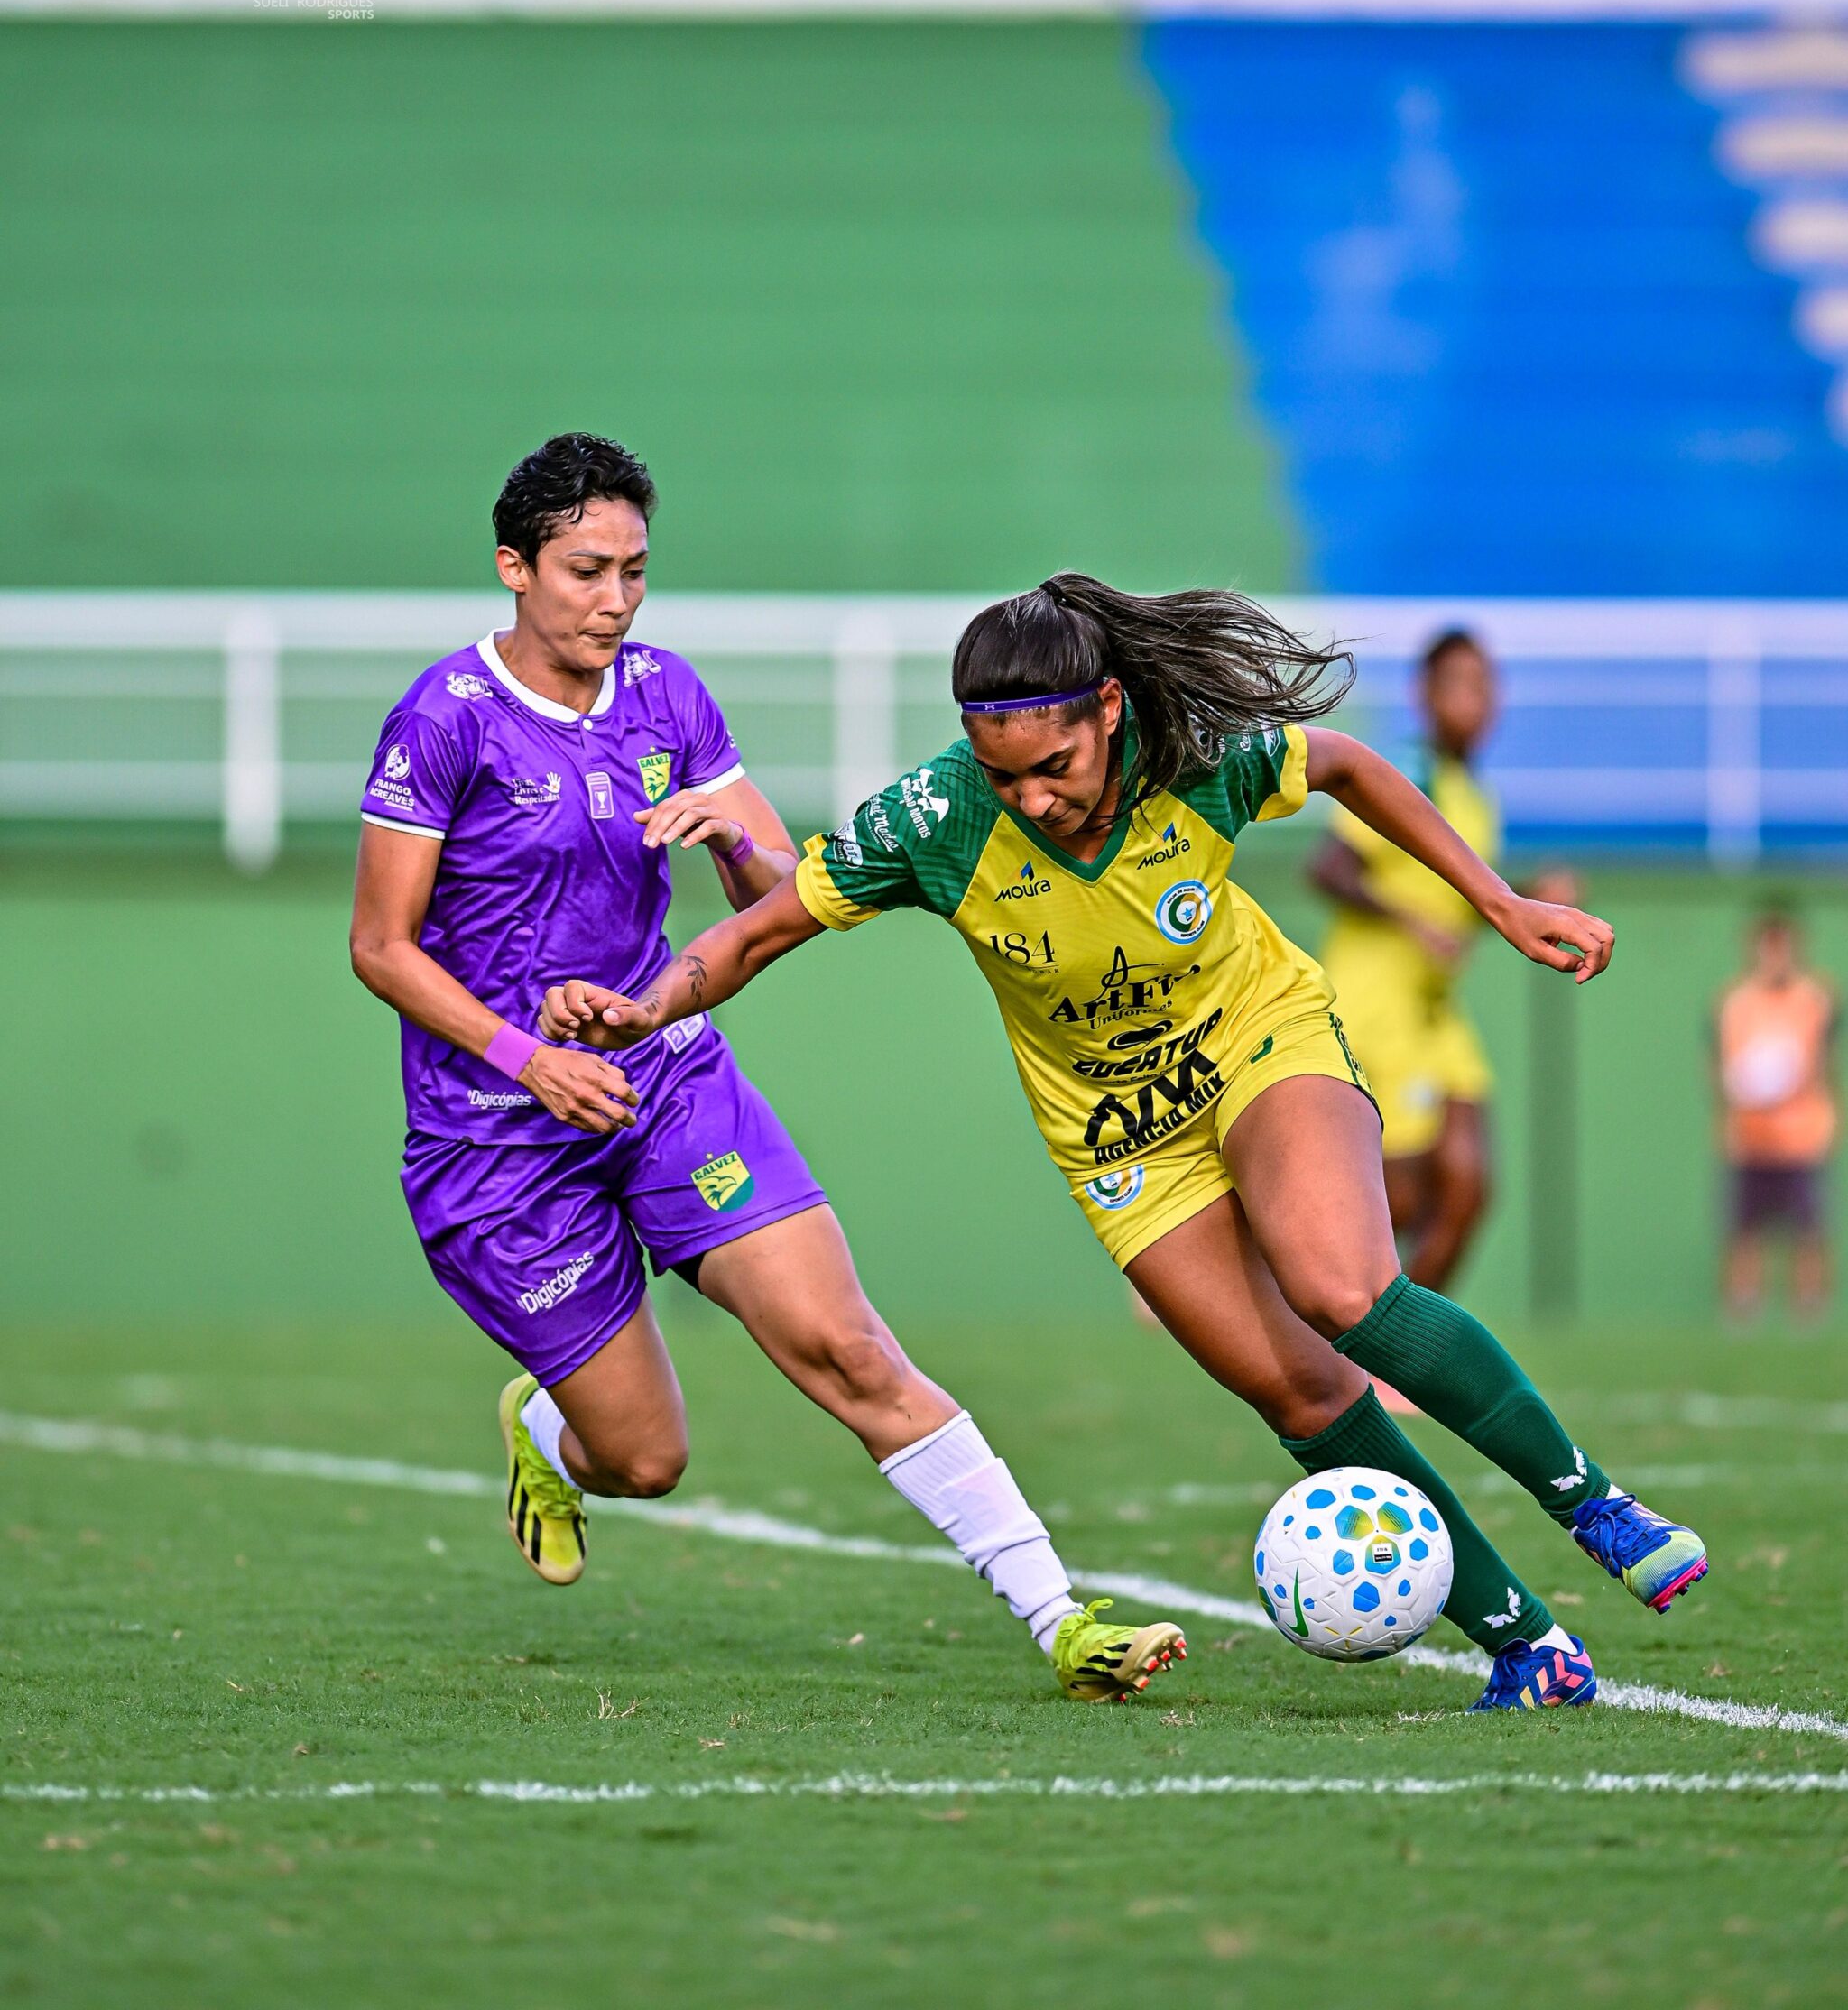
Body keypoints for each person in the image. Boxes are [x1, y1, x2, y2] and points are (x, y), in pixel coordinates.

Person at [542, 575, 1711, 1713]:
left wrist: (1499, 901)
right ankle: (1527, 1646)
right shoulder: (941, 819)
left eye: (1054, 768)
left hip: (1257, 1040)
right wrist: (651, 1005)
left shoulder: (1188, 755)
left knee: (1341, 1287)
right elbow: (759, 932)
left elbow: (1345, 765)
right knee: (1302, 1399)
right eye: (1006, 778)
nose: (1033, 801)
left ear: (1108, 711)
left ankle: (1594, 1505)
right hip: (1121, 1142)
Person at [348, 442, 1183, 1702]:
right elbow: (379, 946)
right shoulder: (444, 721)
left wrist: (732, 834)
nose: (615, 601)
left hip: (665, 1080)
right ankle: (546, 1433)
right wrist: (531, 1059)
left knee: (847, 1348)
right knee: (646, 1460)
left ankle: (1061, 1618)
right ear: (514, 569)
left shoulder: (668, 698)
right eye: (585, 572)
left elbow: (777, 889)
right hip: (498, 1139)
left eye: (634, 571)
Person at [1308, 627, 1499, 1297]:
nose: (1477, 700)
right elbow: (1329, 868)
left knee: (1470, 1189)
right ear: (1425, 695)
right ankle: (1270, 1263)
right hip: (1376, 1006)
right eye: (1460, 684)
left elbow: (1459, 901)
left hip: (1437, 1014)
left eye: (1486, 684)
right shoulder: (1408, 774)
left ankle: (1406, 1360)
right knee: (1405, 1203)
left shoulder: (1474, 796)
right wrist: (1408, 919)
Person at [1715, 907, 1836, 1321]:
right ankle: (1742, 1313)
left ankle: (1809, 1312)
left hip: (1801, 1136)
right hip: (1749, 1137)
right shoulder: (1735, 1001)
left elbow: (1819, 1061)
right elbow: (1722, 1065)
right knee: (1744, 1231)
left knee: (1808, 1230)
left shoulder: (1815, 998)